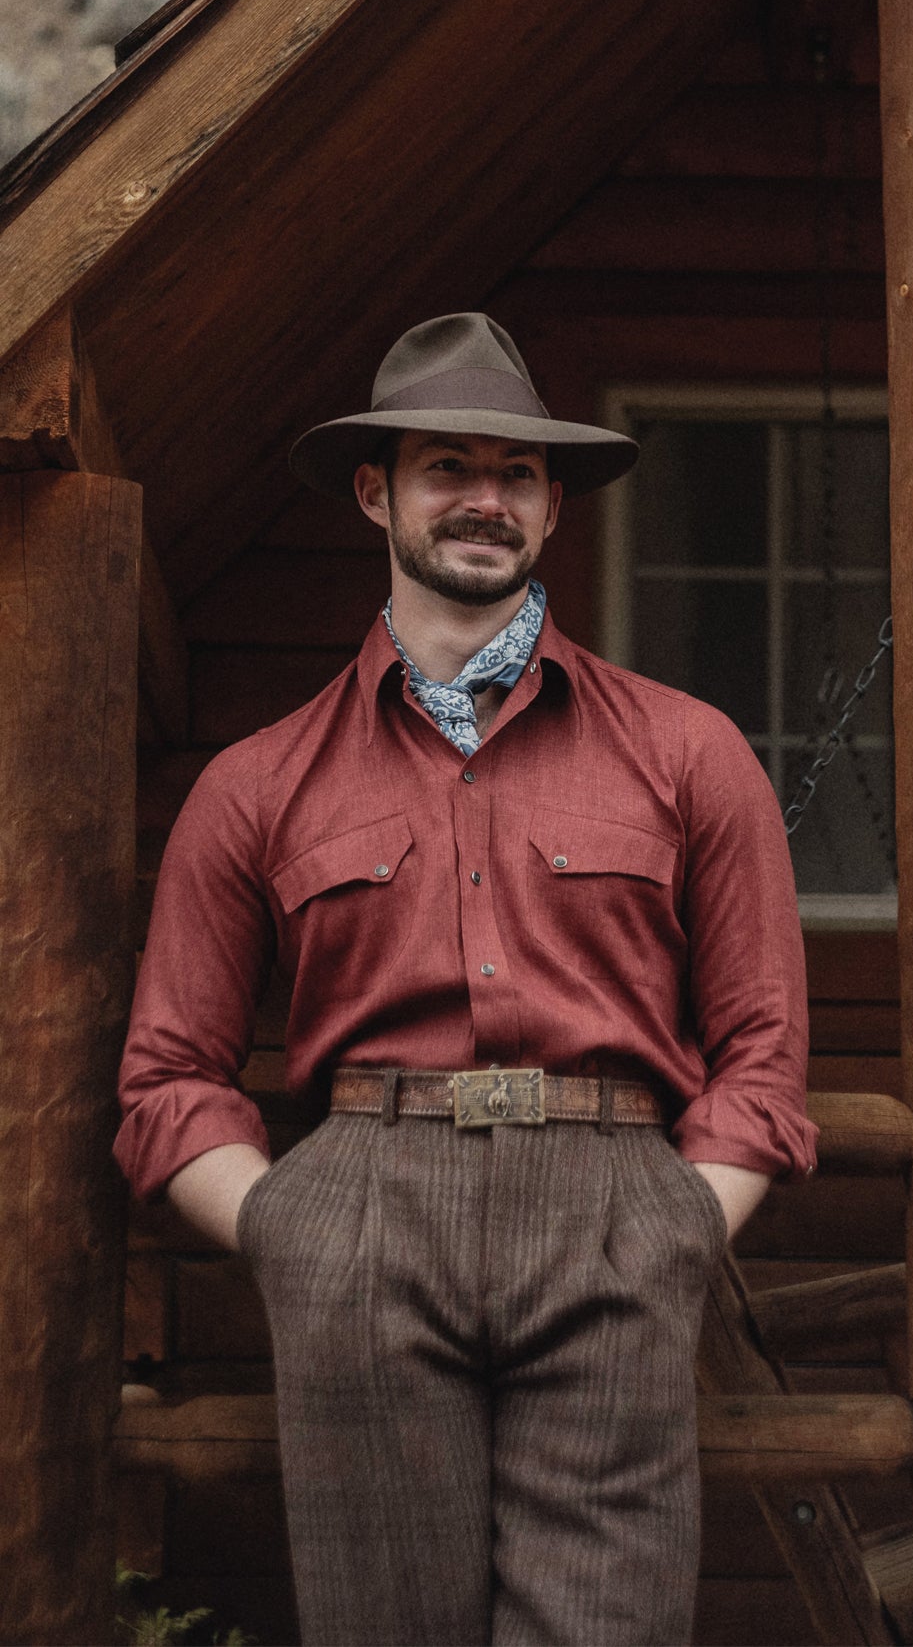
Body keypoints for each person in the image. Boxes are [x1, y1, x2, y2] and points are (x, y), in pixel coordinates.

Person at [115, 312, 816, 1647]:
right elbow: (168, 1079)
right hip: (363, 1218)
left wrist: (678, 1228)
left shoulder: (689, 751)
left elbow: (764, 1052)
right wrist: (291, 1233)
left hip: (618, 1209)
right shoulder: (257, 782)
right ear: (378, 492)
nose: (483, 499)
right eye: (448, 466)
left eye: (515, 473)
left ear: (552, 509)